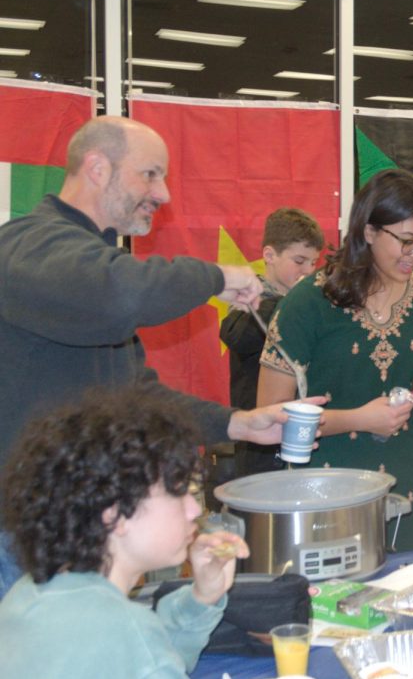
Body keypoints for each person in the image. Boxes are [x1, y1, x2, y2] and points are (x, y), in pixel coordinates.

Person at [0, 116, 307, 597]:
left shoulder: (89, 273)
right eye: (150, 174)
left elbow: (137, 399)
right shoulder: (28, 246)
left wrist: (238, 423)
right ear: (97, 168)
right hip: (20, 540)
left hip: (78, 532)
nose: (163, 193)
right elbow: (121, 294)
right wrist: (217, 278)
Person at [0, 385, 248, 679]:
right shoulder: (123, 629)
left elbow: (141, 659)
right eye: (177, 492)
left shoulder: (28, 593)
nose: (194, 510)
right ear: (114, 515)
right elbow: (142, 656)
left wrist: (202, 597)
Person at [258, 168, 413, 552]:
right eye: (408, 242)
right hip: (330, 495)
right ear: (369, 231)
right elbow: (268, 417)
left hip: (410, 488)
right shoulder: (308, 302)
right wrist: (359, 419)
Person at [220, 208, 325, 476]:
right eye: (299, 260)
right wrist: (288, 305)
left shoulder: (309, 304)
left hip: (301, 430)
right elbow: (236, 336)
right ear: (269, 255)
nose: (308, 270)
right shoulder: (252, 299)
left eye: (313, 263)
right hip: (259, 440)